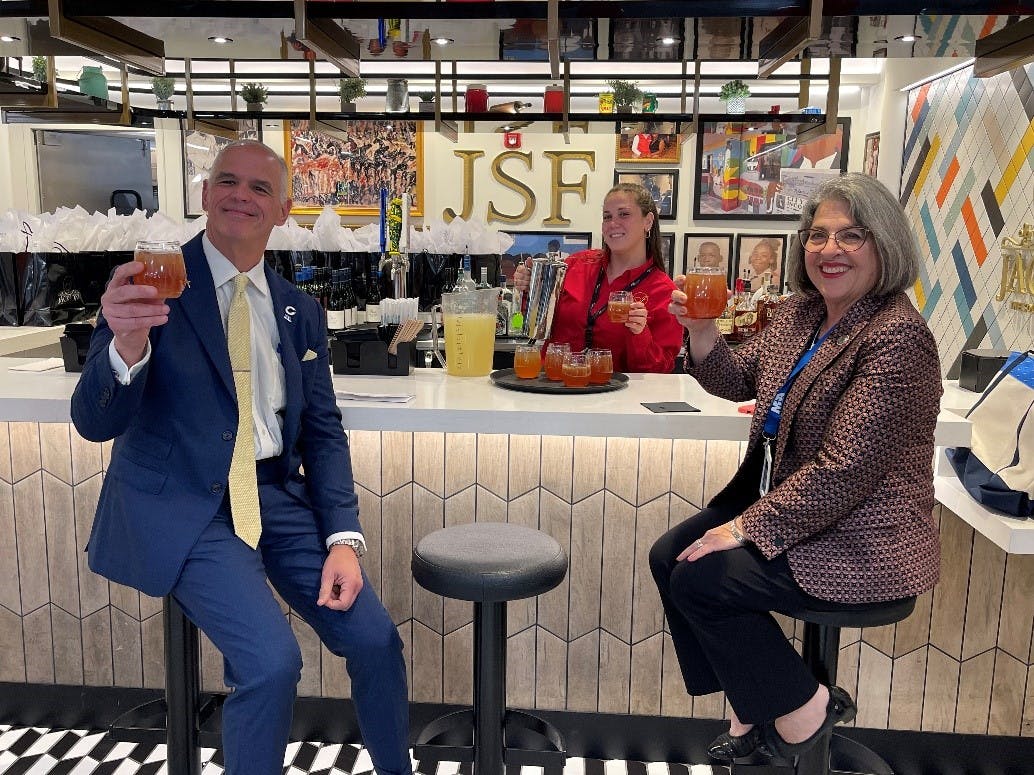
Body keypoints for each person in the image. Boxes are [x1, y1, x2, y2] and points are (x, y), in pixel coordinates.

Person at [70, 140, 412, 775]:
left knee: (374, 639)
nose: (240, 195)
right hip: (186, 507)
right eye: (227, 181)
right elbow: (95, 421)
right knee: (271, 662)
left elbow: (323, 430)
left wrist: (343, 537)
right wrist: (125, 342)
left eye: (259, 189)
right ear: (204, 196)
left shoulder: (299, 310)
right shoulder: (153, 285)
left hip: (275, 499)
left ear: (283, 211)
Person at [651, 173, 942, 763]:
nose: (829, 250)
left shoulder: (897, 336)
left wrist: (740, 529)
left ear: (883, 245)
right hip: (793, 508)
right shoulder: (800, 315)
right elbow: (736, 377)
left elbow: (844, 469)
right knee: (669, 557)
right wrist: (702, 331)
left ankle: (803, 713)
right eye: (818, 235)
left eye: (850, 236)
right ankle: (759, 703)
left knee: (703, 580)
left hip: (860, 534)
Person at [513, 182, 683, 373]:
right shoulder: (576, 264)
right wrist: (530, 288)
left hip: (616, 397)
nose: (613, 223)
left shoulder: (664, 293)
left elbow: (660, 372)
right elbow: (537, 323)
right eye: (607, 216)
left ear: (648, 221)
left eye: (624, 214)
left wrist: (639, 333)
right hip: (554, 388)